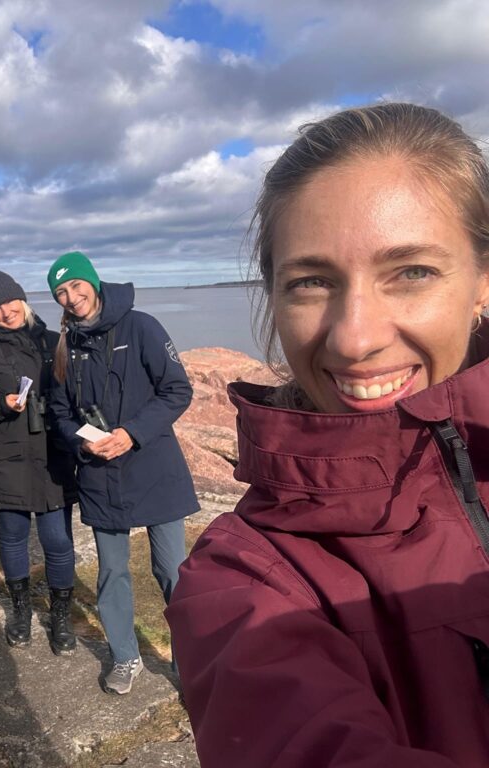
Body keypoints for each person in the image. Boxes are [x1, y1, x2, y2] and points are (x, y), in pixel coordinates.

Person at [165, 102, 489, 767]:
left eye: (411, 272)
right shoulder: (245, 577)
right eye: (312, 282)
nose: (354, 338)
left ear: (483, 282)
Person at [46, 251, 198, 694]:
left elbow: (177, 390)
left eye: (76, 285)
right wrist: (82, 440)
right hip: (100, 475)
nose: (71, 297)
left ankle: (191, 663)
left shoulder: (141, 327)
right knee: (112, 572)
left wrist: (132, 433)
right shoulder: (66, 346)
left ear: (93, 282)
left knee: (172, 571)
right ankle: (125, 656)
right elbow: (60, 413)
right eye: (61, 292)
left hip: (154, 467)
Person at [0, 271, 78, 653]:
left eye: (10, 302)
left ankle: (61, 616)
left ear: (22, 300)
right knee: (12, 540)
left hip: (52, 456)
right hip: (6, 459)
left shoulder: (53, 342)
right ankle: (21, 611)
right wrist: (2, 403)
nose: (6, 311)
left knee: (57, 541)